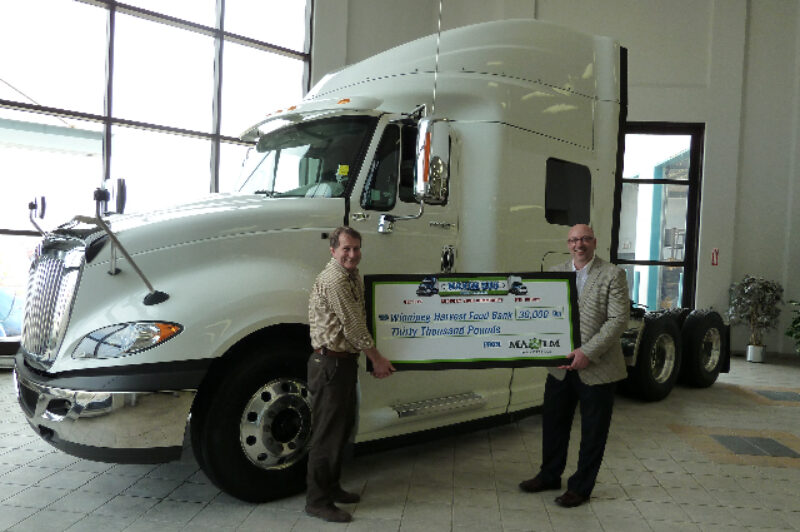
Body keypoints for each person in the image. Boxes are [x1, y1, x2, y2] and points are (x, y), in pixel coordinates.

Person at [519, 224, 629, 508]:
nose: (579, 244)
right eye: (573, 240)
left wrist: (588, 352)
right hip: (559, 367)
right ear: (567, 244)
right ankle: (549, 475)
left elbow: (618, 320)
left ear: (594, 241)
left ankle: (580, 487)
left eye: (585, 239)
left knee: (593, 432)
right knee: (553, 424)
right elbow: (538, 313)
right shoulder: (554, 273)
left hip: (598, 367)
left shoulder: (613, 274)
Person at [305, 226, 395, 523]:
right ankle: (317, 501)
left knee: (341, 430)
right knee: (326, 435)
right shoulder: (336, 280)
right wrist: (378, 359)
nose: (352, 254)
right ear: (333, 250)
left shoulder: (350, 275)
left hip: (341, 363)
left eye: (356, 248)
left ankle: (331, 488)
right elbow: (354, 326)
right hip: (329, 365)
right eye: (346, 249)